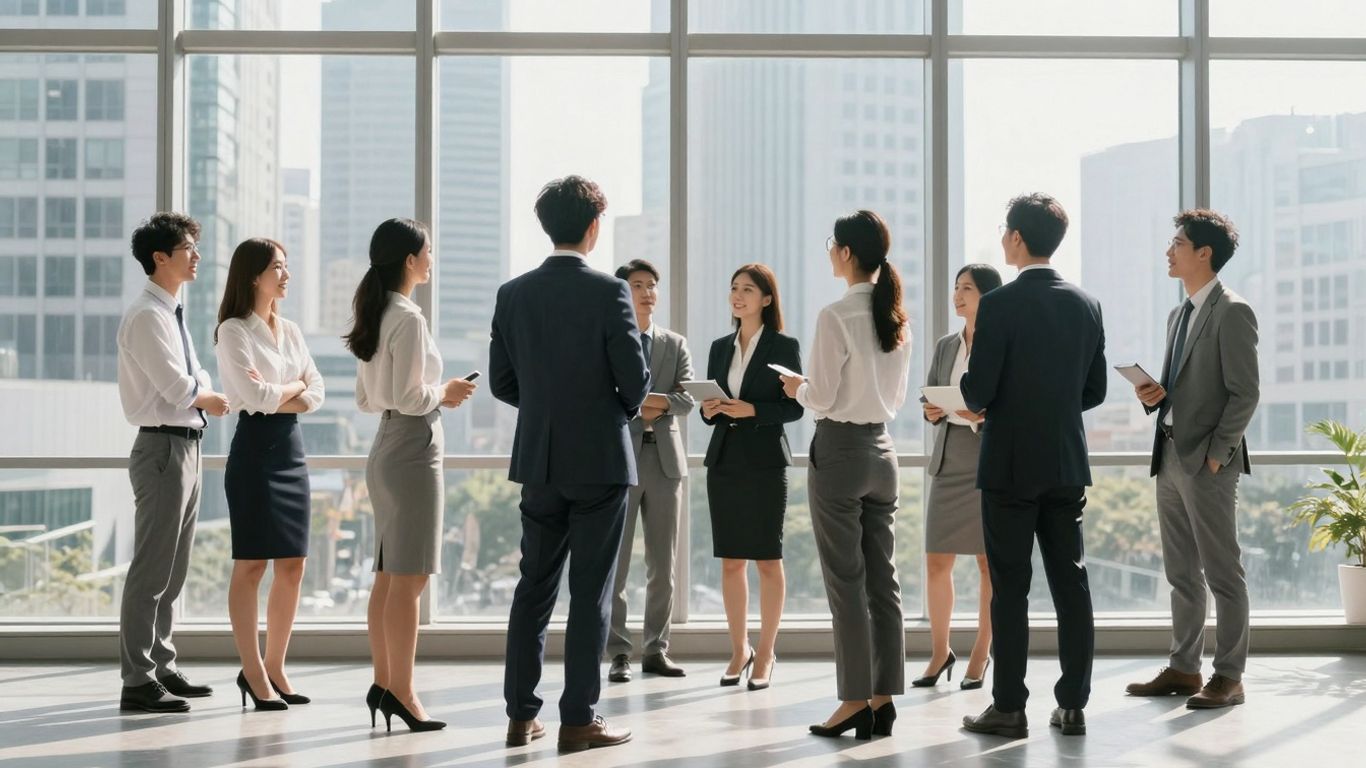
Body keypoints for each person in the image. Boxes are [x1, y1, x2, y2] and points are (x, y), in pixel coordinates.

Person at [491, 176, 650, 753]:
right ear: (593, 227)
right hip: (601, 461)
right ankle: (579, 719)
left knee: (533, 587)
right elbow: (635, 383)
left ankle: (520, 716)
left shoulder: (512, 294)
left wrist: (546, 411)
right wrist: (608, 413)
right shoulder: (610, 292)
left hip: (539, 459)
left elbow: (503, 383)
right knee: (590, 593)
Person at [959, 194, 1106, 739]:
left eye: (1005, 231)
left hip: (1009, 465)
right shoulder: (1087, 304)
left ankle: (1009, 707)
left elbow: (978, 392)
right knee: (1072, 585)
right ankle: (1073, 706)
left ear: (1018, 238)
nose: (1003, 239)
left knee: (1010, 589)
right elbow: (1094, 390)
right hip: (1065, 462)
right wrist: (1052, 407)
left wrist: (989, 398)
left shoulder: (998, 305)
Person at [779, 211, 911, 740]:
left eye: (832, 245)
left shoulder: (835, 315)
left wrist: (798, 389)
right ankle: (884, 699)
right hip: (883, 450)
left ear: (848, 253)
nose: (830, 252)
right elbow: (895, 397)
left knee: (846, 584)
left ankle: (854, 701)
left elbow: (825, 396)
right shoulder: (897, 318)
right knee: (884, 581)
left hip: (839, 452)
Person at [346, 218, 477, 732]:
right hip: (413, 448)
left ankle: (385, 684)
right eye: (428, 252)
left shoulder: (376, 313)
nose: (432, 260)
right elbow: (410, 397)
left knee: (388, 575)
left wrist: (431, 394)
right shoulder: (408, 317)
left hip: (384, 444)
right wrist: (446, 391)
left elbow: (366, 399)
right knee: (411, 576)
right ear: (409, 260)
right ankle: (402, 692)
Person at [1128, 209, 1258, 709]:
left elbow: (1245, 394)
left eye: (1178, 244)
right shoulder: (1178, 314)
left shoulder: (1233, 311)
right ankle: (1185, 668)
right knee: (1180, 572)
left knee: (1223, 573)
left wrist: (1217, 456)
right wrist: (1152, 396)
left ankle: (1230, 676)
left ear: (1204, 253)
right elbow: (1182, 390)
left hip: (1207, 463)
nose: (1169, 251)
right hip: (1169, 454)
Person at [116, 212, 230, 713]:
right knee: (152, 570)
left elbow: (195, 374)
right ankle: (138, 679)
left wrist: (200, 391)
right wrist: (206, 397)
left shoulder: (170, 312)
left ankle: (161, 665)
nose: (197, 256)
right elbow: (177, 386)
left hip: (185, 445)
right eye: (188, 249)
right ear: (160, 257)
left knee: (174, 568)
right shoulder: (147, 316)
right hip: (163, 447)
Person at [214, 237, 325, 711]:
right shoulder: (233, 331)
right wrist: (294, 385)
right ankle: (253, 671)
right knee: (252, 564)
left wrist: (285, 389)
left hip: (291, 450)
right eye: (277, 267)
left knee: (294, 564)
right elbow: (256, 400)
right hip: (255, 454)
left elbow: (316, 392)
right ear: (253, 275)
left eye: (286, 265)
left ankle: (275, 665)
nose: (286, 274)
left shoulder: (292, 330)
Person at [700, 263, 803, 693]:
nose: (738, 296)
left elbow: (796, 407)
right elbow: (710, 405)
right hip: (724, 461)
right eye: (734, 289)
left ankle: (765, 652)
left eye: (747, 289)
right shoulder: (719, 347)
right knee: (731, 560)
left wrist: (754, 410)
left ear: (766, 298)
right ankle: (739, 649)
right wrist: (709, 409)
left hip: (764, 463)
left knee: (767, 559)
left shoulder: (784, 345)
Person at [606, 259, 696, 684]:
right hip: (619, 460)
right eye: (637, 285)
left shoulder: (674, 343)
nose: (646, 292)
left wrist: (643, 402)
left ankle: (657, 649)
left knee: (664, 564)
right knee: (617, 565)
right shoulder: (609, 339)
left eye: (652, 285)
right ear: (623, 292)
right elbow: (604, 395)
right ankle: (619, 652)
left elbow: (687, 399)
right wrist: (658, 402)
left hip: (665, 462)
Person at [917, 264, 1003, 691]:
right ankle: (940, 652)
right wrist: (932, 410)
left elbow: (1011, 400)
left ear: (989, 295)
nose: (958, 295)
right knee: (937, 559)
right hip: (949, 456)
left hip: (987, 456)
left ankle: (982, 652)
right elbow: (930, 395)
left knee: (988, 562)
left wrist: (981, 414)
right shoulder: (946, 345)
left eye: (967, 288)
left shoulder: (1002, 340)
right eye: (956, 288)